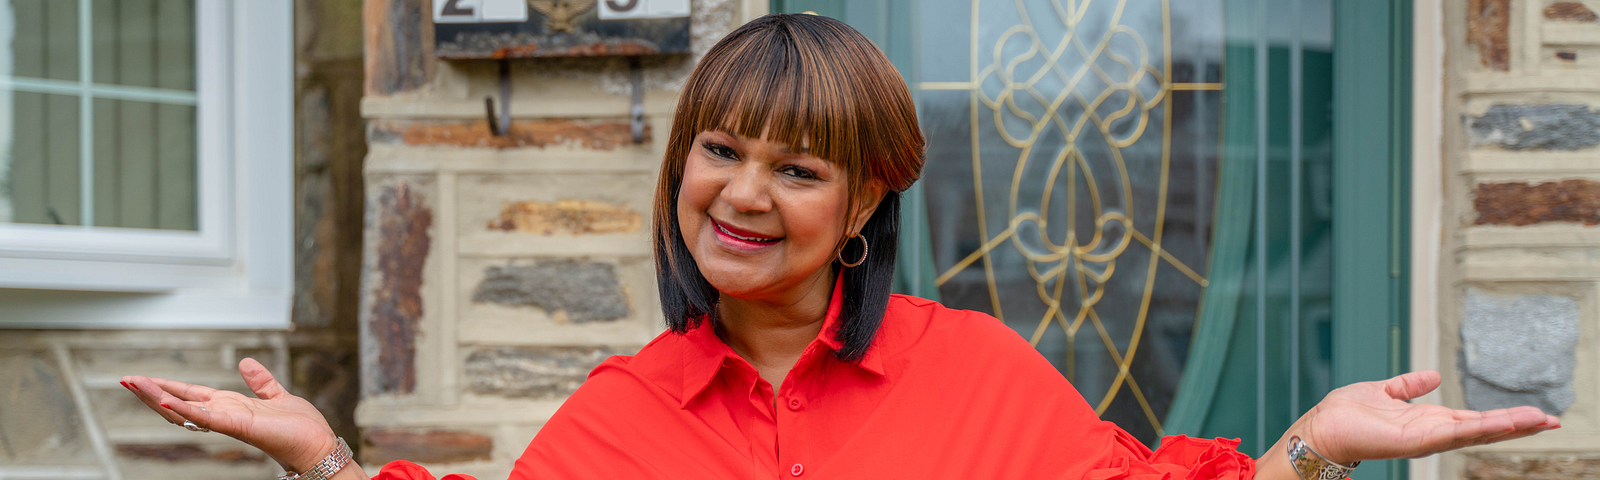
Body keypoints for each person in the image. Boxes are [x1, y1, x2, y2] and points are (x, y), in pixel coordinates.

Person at [119, 14, 1557, 480]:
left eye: (798, 169)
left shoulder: (978, 376)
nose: (743, 194)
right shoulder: (623, 417)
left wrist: (1308, 446)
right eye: (720, 151)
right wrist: (325, 460)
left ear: (864, 204)